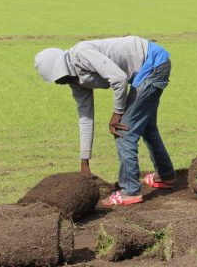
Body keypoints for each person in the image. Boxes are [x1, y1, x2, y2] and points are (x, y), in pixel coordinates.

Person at [34, 36, 175, 206]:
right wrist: (84, 160)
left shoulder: (82, 54)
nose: (57, 83)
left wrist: (116, 114)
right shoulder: (75, 82)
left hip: (153, 64)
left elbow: (119, 79)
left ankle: (129, 191)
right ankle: (165, 176)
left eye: (56, 78)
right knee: (147, 127)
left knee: (123, 130)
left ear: (60, 69)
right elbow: (85, 118)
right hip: (151, 67)